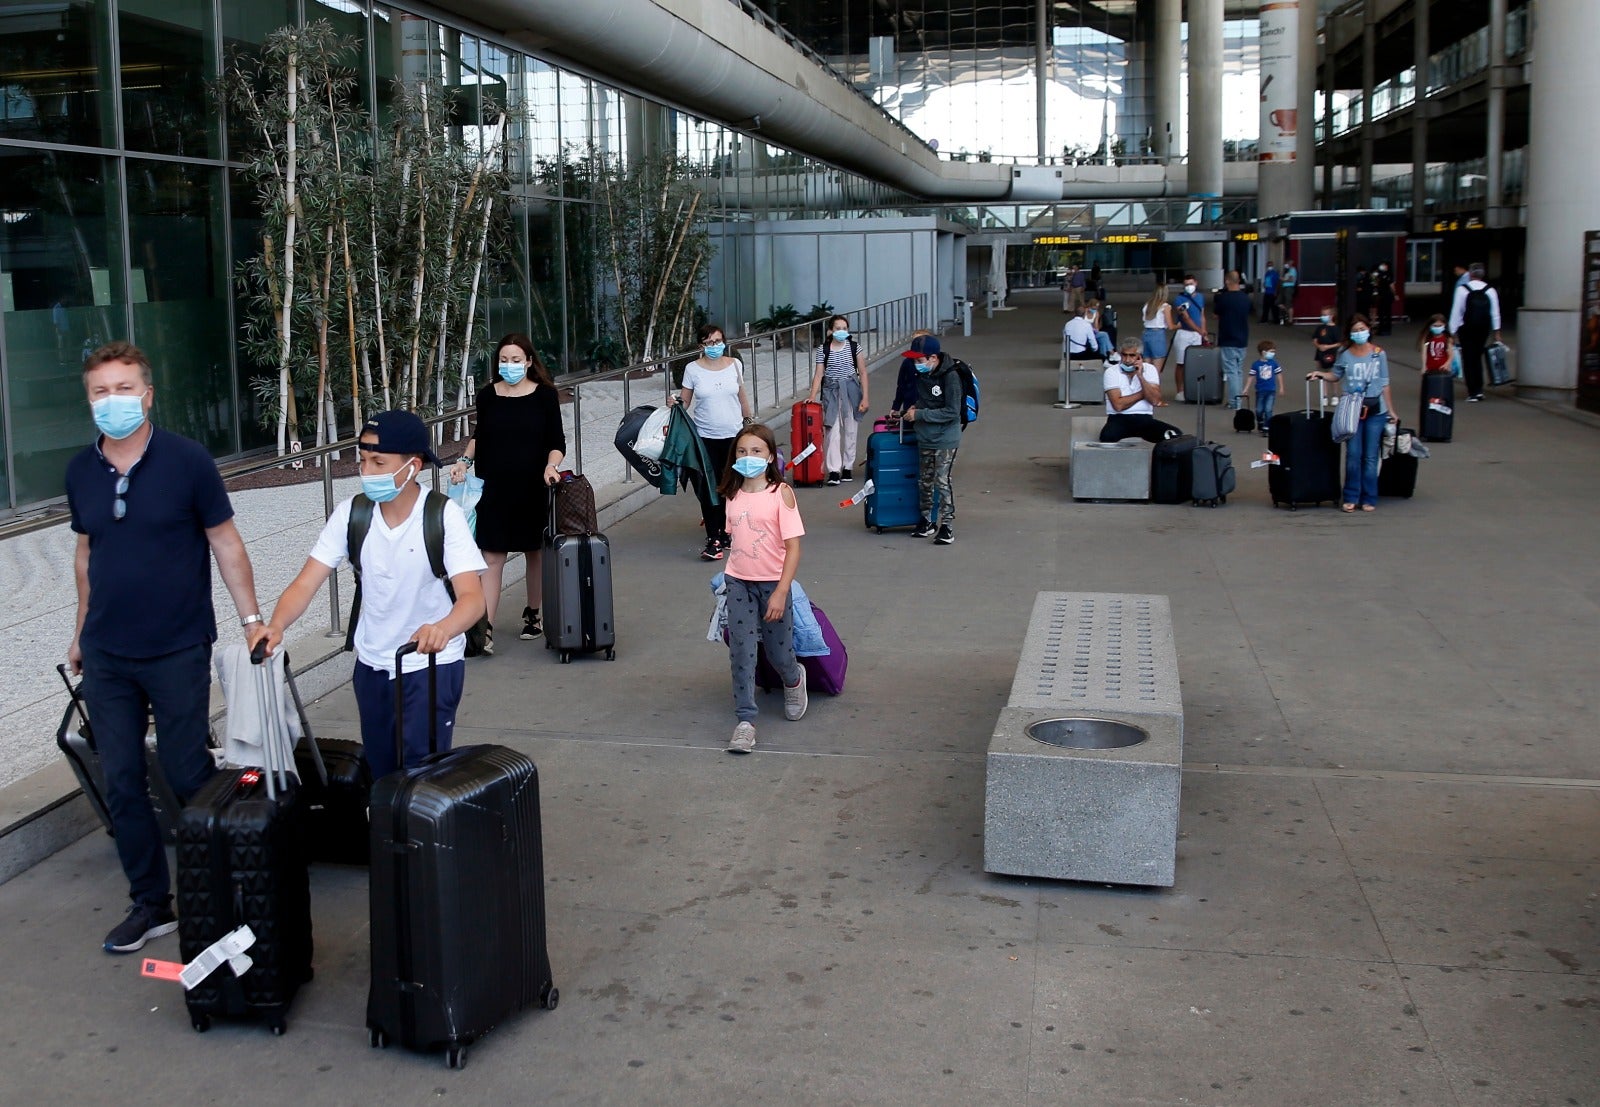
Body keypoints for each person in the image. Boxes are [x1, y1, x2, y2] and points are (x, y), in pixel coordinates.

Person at [66, 341, 268, 954]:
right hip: (107, 652)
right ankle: (150, 903)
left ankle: (230, 884)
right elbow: (85, 555)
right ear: (89, 398)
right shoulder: (81, 470)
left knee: (186, 771)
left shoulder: (187, 461)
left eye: (124, 389)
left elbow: (226, 544)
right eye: (101, 391)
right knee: (123, 779)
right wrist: (78, 631)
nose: (112, 401)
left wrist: (252, 619)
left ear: (148, 394)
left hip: (178, 644)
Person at [259, 410, 486, 778]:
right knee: (380, 773)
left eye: (379, 462)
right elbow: (306, 582)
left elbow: (473, 599)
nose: (367, 471)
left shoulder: (443, 516)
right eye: (363, 461)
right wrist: (276, 625)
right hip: (372, 665)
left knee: (422, 777)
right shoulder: (352, 515)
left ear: (412, 466)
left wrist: (442, 628)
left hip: (428, 666)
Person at [448, 334, 565, 650]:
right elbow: (480, 436)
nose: (509, 366)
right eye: (503, 360)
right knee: (492, 556)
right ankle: (485, 628)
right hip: (494, 488)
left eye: (516, 360)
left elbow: (557, 442)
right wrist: (463, 461)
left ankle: (534, 613)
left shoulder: (544, 396)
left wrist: (551, 466)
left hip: (532, 487)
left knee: (534, 552)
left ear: (529, 362)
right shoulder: (487, 396)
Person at [717, 423, 808, 754]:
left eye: (756, 451)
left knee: (777, 652)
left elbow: (793, 547)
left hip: (773, 584)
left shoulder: (781, 493)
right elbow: (736, 537)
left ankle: (794, 678)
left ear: (770, 455)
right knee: (741, 650)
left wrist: (782, 591)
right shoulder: (731, 492)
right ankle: (745, 721)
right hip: (738, 581)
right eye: (742, 451)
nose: (748, 457)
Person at [671, 323, 752, 560]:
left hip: (734, 435)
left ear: (724, 341)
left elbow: (742, 396)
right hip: (705, 437)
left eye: (718, 341)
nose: (714, 346)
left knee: (733, 486)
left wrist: (750, 423)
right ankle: (714, 537)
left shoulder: (734, 365)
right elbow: (685, 402)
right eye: (709, 343)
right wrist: (674, 402)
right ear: (701, 346)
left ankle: (727, 531)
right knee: (709, 488)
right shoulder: (692, 369)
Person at [1309, 315, 1397, 513]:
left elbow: (1384, 382)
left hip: (1376, 410)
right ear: (1350, 333)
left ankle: (1369, 497)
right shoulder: (1345, 353)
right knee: (1353, 454)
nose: (1359, 333)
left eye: (1362, 329)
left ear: (1368, 330)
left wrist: (1391, 410)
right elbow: (1336, 374)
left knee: (1370, 456)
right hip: (1353, 409)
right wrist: (1321, 375)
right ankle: (1350, 496)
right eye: (1355, 330)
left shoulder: (1378, 353)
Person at [900, 335, 961, 545]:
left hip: (946, 438)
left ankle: (947, 525)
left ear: (933, 358)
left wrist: (920, 415)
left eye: (919, 360)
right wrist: (916, 407)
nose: (916, 365)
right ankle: (926, 520)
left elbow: (952, 412)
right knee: (925, 479)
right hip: (925, 436)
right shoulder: (923, 376)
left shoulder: (951, 377)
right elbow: (926, 401)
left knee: (942, 480)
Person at [807, 314, 869, 486]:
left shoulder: (854, 347)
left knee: (851, 429)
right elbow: (819, 374)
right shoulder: (823, 349)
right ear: (830, 331)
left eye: (844, 328)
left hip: (851, 390)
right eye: (838, 328)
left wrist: (865, 397)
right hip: (831, 392)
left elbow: (862, 372)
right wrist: (812, 396)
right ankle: (834, 470)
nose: (841, 331)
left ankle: (848, 466)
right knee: (831, 431)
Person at [1100, 338, 1182, 443]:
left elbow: (1155, 400)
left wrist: (1140, 376)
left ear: (1139, 356)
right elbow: (1118, 405)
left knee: (1174, 435)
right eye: (1124, 355)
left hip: (1144, 419)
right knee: (1107, 437)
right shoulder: (1111, 372)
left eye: (1132, 355)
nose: (1128, 360)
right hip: (1118, 419)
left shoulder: (1150, 369)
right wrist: (1144, 393)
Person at [1448, 262, 1504, 402]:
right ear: (1483, 274)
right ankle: (1479, 389)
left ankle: (1472, 391)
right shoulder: (1490, 290)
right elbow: (1495, 313)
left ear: (1470, 274)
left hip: (1466, 328)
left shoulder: (1462, 289)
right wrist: (1496, 331)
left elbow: (1457, 311)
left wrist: (1452, 331)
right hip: (1483, 329)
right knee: (1478, 356)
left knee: (1468, 358)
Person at [1212, 271, 1253, 410]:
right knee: (1239, 371)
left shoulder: (1223, 298)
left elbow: (1216, 314)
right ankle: (1238, 399)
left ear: (1227, 281)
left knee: (1231, 372)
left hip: (1228, 338)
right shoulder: (1245, 298)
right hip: (1242, 339)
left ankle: (1235, 402)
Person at [1171, 274, 1208, 402]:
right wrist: (1200, 331)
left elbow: (1202, 315)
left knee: (1195, 363)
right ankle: (1179, 391)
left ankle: (1192, 388)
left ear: (1196, 283)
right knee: (1181, 363)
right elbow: (1185, 317)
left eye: (1191, 284)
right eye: (1186, 284)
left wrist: (1203, 331)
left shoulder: (1201, 297)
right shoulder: (1179, 299)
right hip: (1184, 333)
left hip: (1197, 334)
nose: (1189, 287)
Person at [889, 328, 933, 418]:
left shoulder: (933, 364)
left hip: (928, 409)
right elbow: (901, 385)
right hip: (909, 406)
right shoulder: (907, 362)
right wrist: (896, 406)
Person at [1140, 283, 1175, 377]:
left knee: (1146, 367)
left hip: (1146, 333)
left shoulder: (1147, 305)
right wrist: (1179, 325)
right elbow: (1171, 326)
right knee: (1156, 370)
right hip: (1158, 335)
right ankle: (1155, 389)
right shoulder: (1165, 306)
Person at [1248, 339, 1282, 434]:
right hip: (1260, 390)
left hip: (1271, 390)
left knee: (1268, 409)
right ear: (1263, 352)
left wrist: (1281, 387)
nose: (1273, 354)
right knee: (1259, 410)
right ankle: (1260, 421)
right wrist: (1246, 388)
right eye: (1271, 352)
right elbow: (1251, 376)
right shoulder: (1256, 364)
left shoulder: (1274, 363)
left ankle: (1267, 426)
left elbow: (1279, 374)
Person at [1311, 307, 1342, 375]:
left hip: (1331, 354)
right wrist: (1318, 346)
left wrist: (1328, 347)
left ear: (1331, 316)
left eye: (1325, 315)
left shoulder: (1335, 329)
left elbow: (1340, 343)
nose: (1322, 317)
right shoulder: (1320, 328)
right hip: (1319, 354)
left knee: (1332, 374)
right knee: (1321, 373)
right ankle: (1323, 386)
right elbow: (1315, 339)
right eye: (1322, 315)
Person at [1373, 262, 1396, 336]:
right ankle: (1382, 329)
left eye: (1384, 265)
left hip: (1386, 296)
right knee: (1381, 313)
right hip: (1381, 296)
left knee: (1386, 313)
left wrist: (1395, 294)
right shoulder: (1378, 274)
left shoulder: (1389, 275)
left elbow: (1391, 286)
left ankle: (1387, 329)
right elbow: (1375, 283)